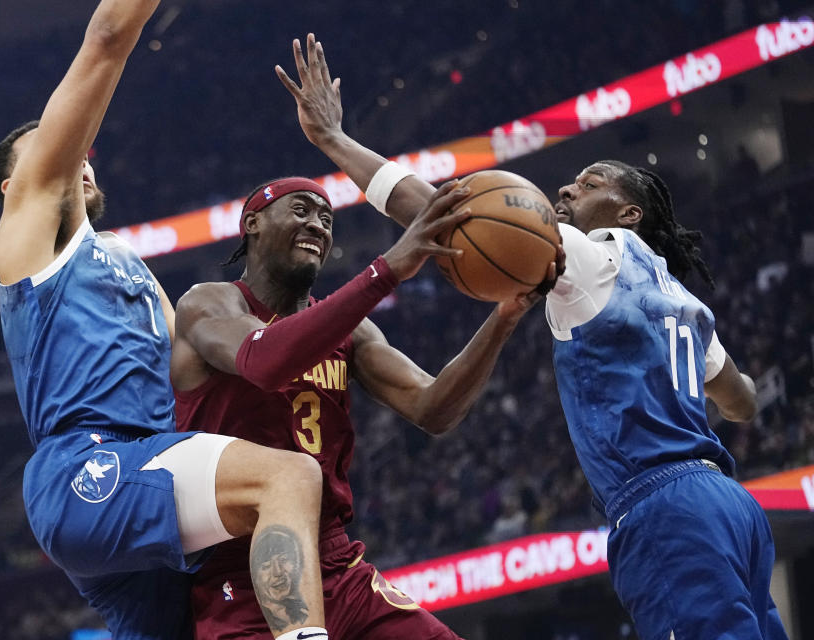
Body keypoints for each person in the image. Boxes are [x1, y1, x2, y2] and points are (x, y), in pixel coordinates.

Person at [276, 33, 789, 640]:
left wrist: (334, 140)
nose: (568, 190)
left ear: (630, 216)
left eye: (592, 181)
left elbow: (439, 212)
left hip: (665, 508)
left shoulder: (597, 254)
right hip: (734, 507)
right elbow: (744, 401)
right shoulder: (684, 302)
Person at [0, 4, 332, 639]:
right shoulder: (29, 239)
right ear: (16, 189)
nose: (75, 155)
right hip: (88, 467)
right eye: (52, 152)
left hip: (147, 469)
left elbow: (199, 373)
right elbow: (108, 38)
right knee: (288, 476)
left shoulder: (125, 260)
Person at [170, 169, 558, 637]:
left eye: (327, 218)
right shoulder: (207, 304)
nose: (317, 224)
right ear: (252, 223)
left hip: (334, 561)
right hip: (242, 568)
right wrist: (388, 268)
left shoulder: (350, 332)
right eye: (300, 210)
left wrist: (504, 318)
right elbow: (263, 361)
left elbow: (433, 408)